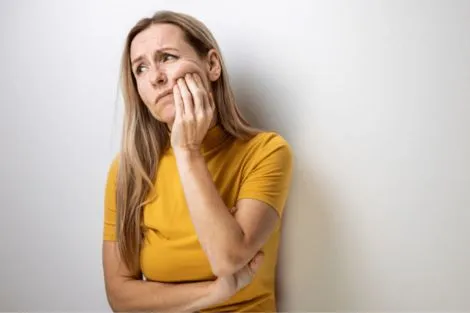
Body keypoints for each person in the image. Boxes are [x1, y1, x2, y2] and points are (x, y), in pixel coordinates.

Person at [102, 10, 293, 313]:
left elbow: (228, 257)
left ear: (212, 65)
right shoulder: (128, 171)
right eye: (140, 68)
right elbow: (120, 297)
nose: (155, 76)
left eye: (167, 57)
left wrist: (187, 150)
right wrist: (215, 292)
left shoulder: (266, 151)